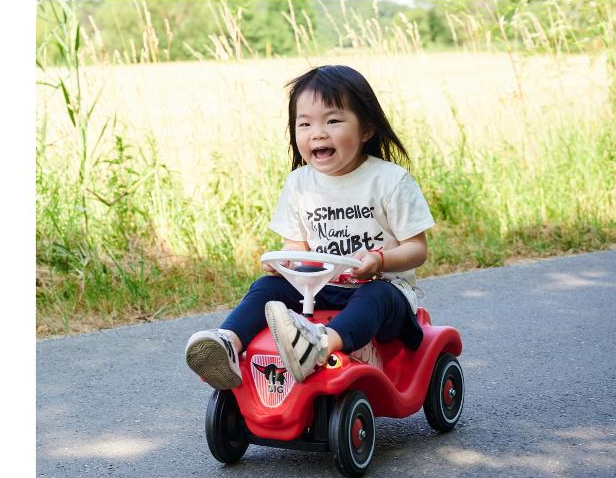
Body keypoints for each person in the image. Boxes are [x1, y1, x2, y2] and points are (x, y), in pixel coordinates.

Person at [185, 65, 435, 389]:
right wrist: (288, 261)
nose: (317, 132)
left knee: (376, 295)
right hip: (317, 288)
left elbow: (418, 248)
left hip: (381, 290)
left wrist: (381, 261)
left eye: (332, 121)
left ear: (366, 129)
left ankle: (319, 346)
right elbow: (297, 245)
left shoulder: (388, 181)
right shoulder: (299, 183)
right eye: (305, 124)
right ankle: (228, 343)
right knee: (267, 288)